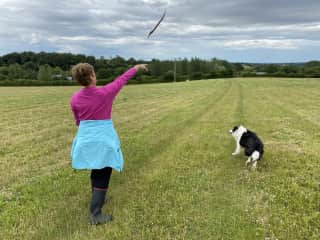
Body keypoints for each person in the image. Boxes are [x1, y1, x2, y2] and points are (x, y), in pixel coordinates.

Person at [70, 62, 148, 225]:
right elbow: (122, 79)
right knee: (102, 175)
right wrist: (136, 68)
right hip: (103, 140)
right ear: (92, 76)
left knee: (96, 168)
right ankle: (96, 214)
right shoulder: (105, 92)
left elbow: (78, 121)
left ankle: (98, 198)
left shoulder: (75, 98)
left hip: (85, 140)